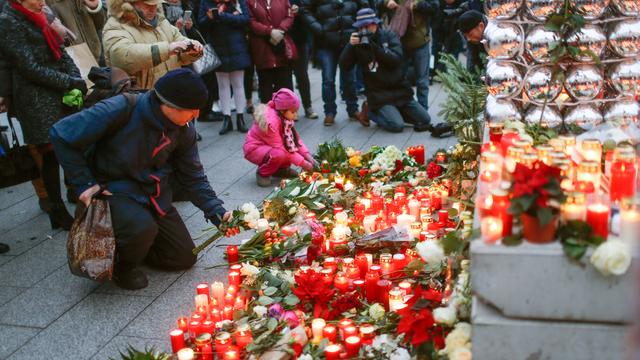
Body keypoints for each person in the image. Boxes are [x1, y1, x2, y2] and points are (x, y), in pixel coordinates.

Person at [50, 69, 230, 290]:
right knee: (140, 227)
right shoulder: (122, 108)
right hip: (113, 187)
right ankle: (122, 266)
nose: (195, 116)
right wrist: (84, 183)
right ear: (168, 105)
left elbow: (193, 176)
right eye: (191, 110)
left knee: (183, 257)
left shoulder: (184, 130)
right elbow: (60, 133)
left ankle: (137, 246)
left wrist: (217, 212)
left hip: (153, 192)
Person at [0, 0, 86, 230]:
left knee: (69, 143)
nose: (41, 1)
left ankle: (75, 193)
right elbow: (27, 67)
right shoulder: (8, 21)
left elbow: (61, 49)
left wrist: (75, 76)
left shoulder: (42, 13)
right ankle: (56, 209)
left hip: (59, 91)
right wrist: (67, 81)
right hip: (35, 96)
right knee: (49, 152)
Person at [339, 8, 432, 133]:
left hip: (400, 91)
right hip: (379, 95)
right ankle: (371, 112)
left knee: (425, 119)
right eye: (361, 27)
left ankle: (393, 113)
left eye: (368, 26)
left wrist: (374, 47)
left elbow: (396, 60)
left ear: (375, 23)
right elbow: (344, 66)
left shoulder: (389, 36)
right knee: (397, 126)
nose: (365, 30)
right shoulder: (358, 43)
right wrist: (350, 46)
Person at [102, 0, 204, 90]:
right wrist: (167, 49)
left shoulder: (161, 21)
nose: (153, 9)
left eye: (155, 4)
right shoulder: (115, 26)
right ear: (128, 4)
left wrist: (191, 49)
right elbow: (122, 57)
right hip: (141, 101)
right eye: (147, 5)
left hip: (171, 94)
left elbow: (178, 40)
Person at [301, 0, 365, 126]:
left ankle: (353, 109)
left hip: (348, 41)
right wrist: (318, 27)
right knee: (328, 79)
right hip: (326, 43)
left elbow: (364, 6)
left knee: (350, 78)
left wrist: (357, 28)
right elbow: (304, 10)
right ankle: (329, 112)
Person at [243, 88, 315, 187]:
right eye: (293, 112)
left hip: (270, 146)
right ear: (282, 110)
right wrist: (304, 163)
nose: (295, 115)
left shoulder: (285, 118)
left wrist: (308, 156)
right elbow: (284, 149)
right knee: (280, 153)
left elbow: (295, 140)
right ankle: (262, 173)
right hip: (255, 148)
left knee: (288, 148)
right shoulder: (270, 123)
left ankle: (280, 170)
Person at [199, 0, 251, 135]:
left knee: (238, 84)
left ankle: (240, 117)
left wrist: (222, 16)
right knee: (222, 85)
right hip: (218, 47)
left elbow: (245, 18)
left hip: (237, 46)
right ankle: (226, 118)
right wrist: (209, 18)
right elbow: (201, 24)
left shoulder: (237, 1)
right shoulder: (206, 2)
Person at [378, 0, 438, 112]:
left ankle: (423, 111)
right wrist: (386, 2)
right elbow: (378, 4)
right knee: (399, 78)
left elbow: (435, 8)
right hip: (399, 44)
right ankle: (403, 109)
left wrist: (418, 4)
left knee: (422, 81)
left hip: (420, 43)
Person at [247, 0, 295, 104]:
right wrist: (270, 31)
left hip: (280, 46)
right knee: (266, 87)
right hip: (262, 49)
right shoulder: (250, 1)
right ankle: (269, 117)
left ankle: (285, 115)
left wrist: (280, 31)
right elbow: (250, 21)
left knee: (284, 85)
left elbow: (289, 15)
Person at [289, 0, 318, 119]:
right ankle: (290, 109)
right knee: (286, 77)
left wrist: (300, 9)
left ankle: (308, 106)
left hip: (300, 38)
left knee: (302, 75)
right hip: (283, 36)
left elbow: (312, 7)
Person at [431, 0, 466, 79]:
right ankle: (433, 72)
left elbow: (464, 8)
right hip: (438, 25)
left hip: (454, 26)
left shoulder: (461, 4)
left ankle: (452, 73)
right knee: (436, 49)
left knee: (454, 50)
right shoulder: (437, 3)